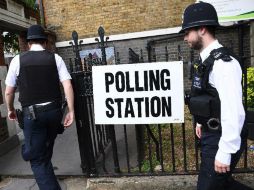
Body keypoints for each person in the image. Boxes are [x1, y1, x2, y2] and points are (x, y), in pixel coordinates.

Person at [181, 2, 253, 190]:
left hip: (221, 138)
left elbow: (234, 112)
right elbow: (207, 95)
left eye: (187, 32)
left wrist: (225, 152)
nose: (185, 38)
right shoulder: (206, 60)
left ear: (202, 29)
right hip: (210, 133)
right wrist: (200, 122)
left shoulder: (224, 65)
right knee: (221, 184)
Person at [5, 24, 74, 190]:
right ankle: (41, 165)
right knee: (45, 150)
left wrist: (10, 109)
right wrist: (71, 111)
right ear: (45, 42)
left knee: (37, 160)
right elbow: (68, 86)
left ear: (29, 43)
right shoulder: (55, 58)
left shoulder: (17, 60)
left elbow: (8, 92)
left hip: (33, 117)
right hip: (54, 114)